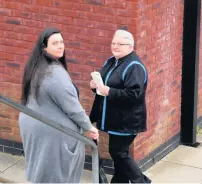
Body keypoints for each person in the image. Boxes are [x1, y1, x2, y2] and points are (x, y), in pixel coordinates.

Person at [19, 28, 98, 184]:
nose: (60, 46)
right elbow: (73, 107)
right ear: (44, 47)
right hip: (52, 133)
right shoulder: (55, 73)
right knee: (55, 176)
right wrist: (89, 128)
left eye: (61, 42)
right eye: (55, 43)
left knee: (40, 171)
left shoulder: (36, 67)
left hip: (34, 126)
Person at [90, 30, 151, 183]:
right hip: (114, 119)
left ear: (130, 47)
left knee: (118, 152)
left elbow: (135, 95)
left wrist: (109, 91)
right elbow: (105, 85)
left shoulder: (134, 66)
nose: (115, 46)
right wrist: (95, 86)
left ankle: (142, 181)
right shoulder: (111, 61)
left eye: (120, 44)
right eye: (113, 43)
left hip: (127, 120)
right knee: (119, 153)